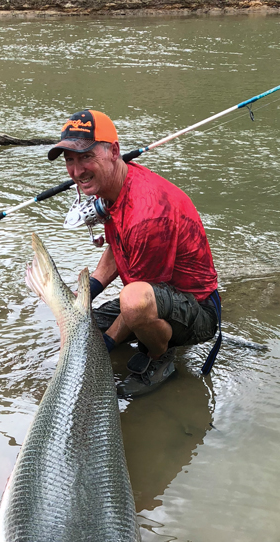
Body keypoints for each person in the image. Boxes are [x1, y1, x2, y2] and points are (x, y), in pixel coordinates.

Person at [48, 109, 221, 398]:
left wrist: (107, 345)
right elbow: (119, 245)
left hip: (199, 307)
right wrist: (87, 293)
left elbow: (139, 298)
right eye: (70, 160)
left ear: (113, 151)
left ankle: (160, 358)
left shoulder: (147, 214)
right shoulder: (115, 185)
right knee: (85, 324)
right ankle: (149, 337)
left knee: (127, 307)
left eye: (86, 157)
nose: (77, 172)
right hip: (157, 295)